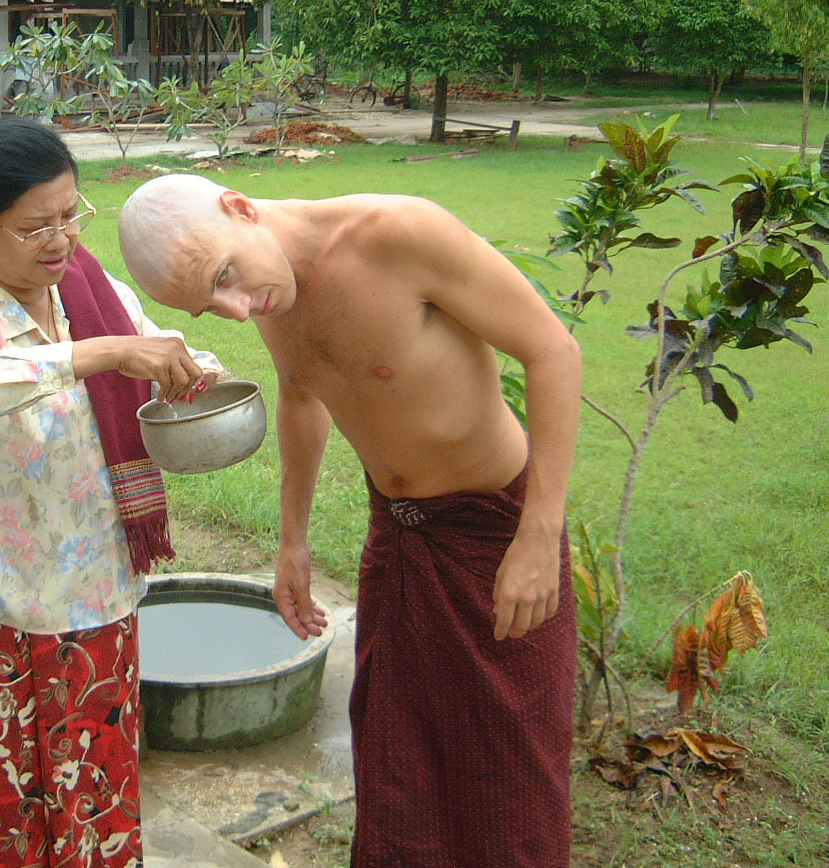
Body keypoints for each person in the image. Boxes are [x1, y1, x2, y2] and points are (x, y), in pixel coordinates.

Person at [116, 174, 581, 868]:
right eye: (211, 307)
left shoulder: (399, 234)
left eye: (225, 278)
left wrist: (539, 534)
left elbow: (553, 351)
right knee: (398, 764)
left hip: (496, 530)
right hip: (399, 534)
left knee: (510, 775)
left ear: (241, 209)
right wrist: (293, 541)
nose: (238, 310)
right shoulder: (270, 287)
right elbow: (301, 395)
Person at [0, 121, 221, 868]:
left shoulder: (97, 296)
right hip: (1, 608)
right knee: (10, 811)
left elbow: (157, 355)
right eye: (34, 227)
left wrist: (194, 372)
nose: (60, 240)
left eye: (70, 214)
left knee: (95, 800)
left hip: (98, 595)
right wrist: (98, 354)